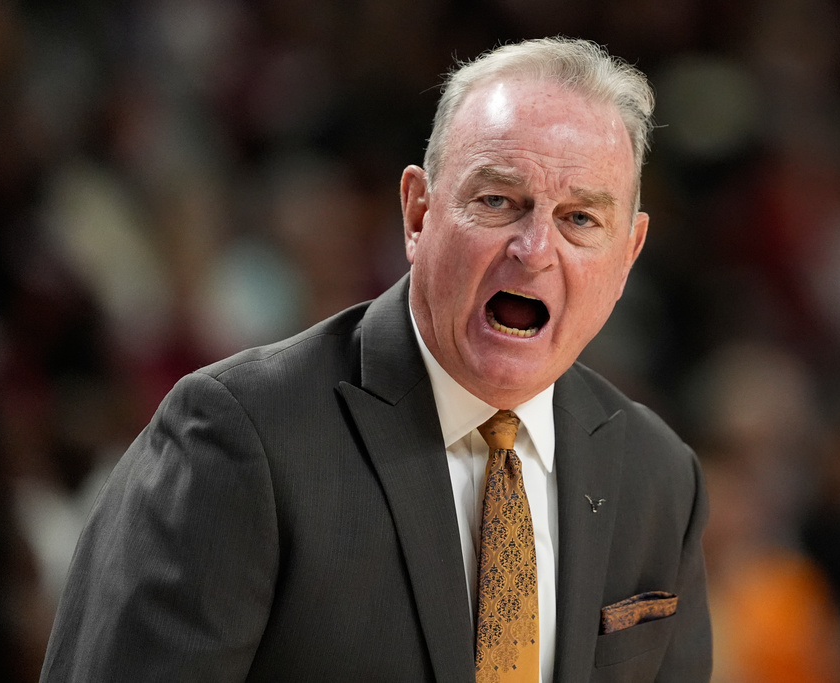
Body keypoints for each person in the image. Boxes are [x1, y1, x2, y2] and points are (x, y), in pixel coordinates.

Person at [40, 37, 712, 682]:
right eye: (499, 200)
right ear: (419, 213)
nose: (534, 248)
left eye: (580, 219)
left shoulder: (659, 478)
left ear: (628, 255)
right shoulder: (238, 436)